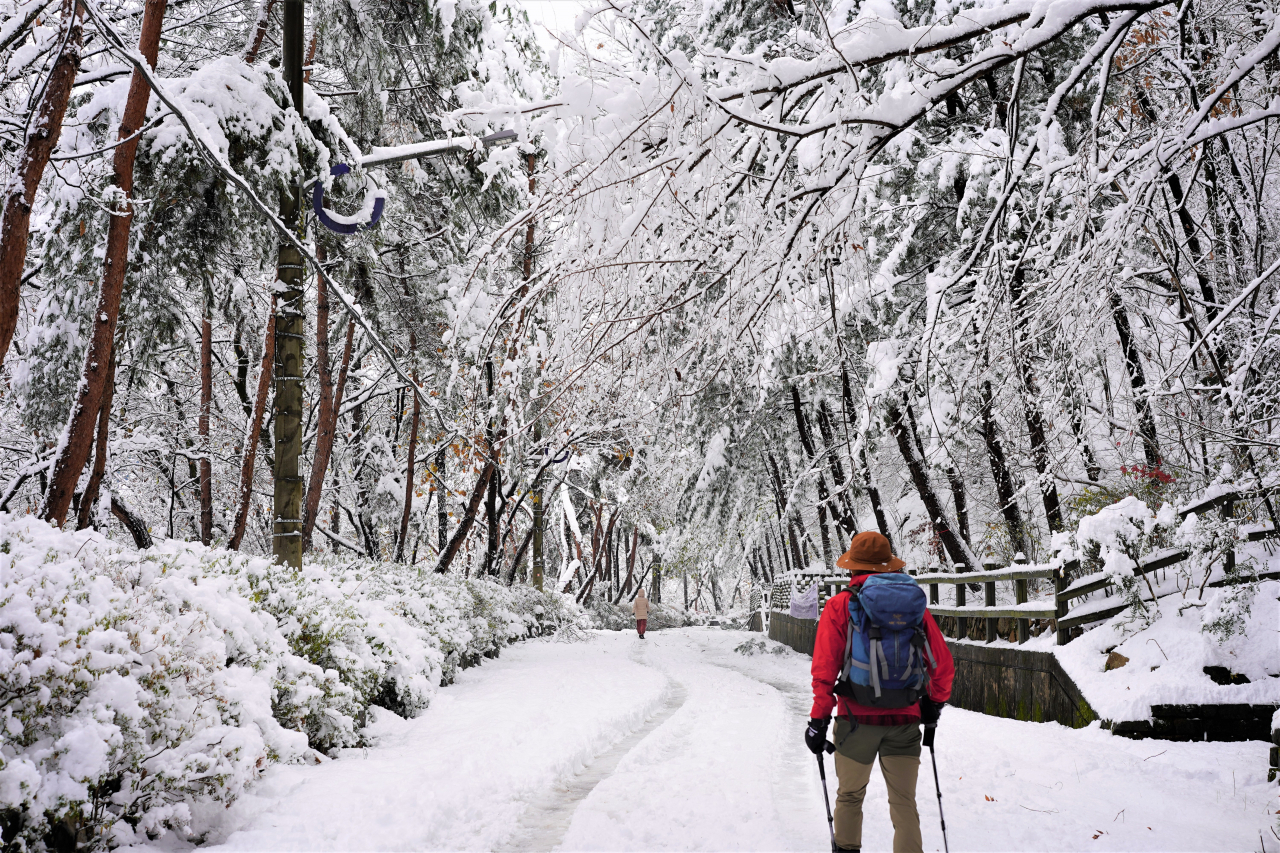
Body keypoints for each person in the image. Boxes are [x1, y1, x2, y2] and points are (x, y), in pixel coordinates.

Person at [805, 531, 954, 853]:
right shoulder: (914, 606)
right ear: (889, 565)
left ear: (852, 567)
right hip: (905, 720)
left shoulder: (840, 605)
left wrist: (818, 720)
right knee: (904, 803)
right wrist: (935, 704)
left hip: (855, 721)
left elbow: (825, 670)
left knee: (849, 797)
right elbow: (942, 664)